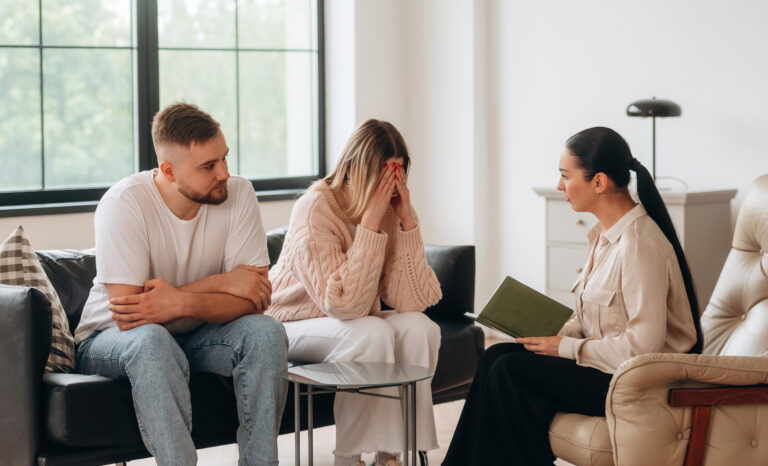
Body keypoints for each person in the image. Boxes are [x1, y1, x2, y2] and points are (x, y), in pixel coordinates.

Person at [443, 126, 702, 465]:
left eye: (566, 175)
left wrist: (564, 348)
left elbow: (643, 349)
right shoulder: (604, 238)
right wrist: (548, 334)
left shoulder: (640, 245)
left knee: (509, 372)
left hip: (638, 384)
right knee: (496, 356)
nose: (559, 185)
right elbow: (595, 323)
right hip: (607, 368)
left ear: (599, 182)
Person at [74, 103, 288, 466]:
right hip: (110, 338)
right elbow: (132, 314)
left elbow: (254, 298)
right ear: (168, 171)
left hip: (198, 334)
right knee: (153, 342)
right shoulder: (125, 203)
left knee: (266, 333)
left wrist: (179, 302)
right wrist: (223, 283)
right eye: (208, 166)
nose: (224, 173)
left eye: (224, 157)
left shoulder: (239, 193)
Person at [267, 119, 443, 466]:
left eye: (397, 175)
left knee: (420, 327)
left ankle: (394, 453)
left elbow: (411, 301)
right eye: (383, 176)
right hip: (289, 324)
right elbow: (343, 304)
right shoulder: (314, 207)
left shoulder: (391, 209)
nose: (390, 186)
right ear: (352, 169)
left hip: (347, 320)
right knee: (370, 332)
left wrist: (407, 220)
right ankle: (348, 458)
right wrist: (369, 224)